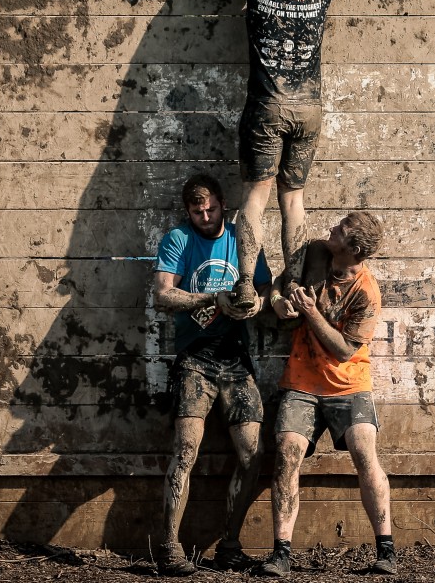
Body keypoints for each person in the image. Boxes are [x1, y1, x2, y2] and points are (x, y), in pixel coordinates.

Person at [207, 0, 372, 311]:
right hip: (308, 108)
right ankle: (294, 282)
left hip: (267, 107)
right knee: (293, 199)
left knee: (255, 196)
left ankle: (245, 282)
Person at [257, 212, 396, 577]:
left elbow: (344, 351)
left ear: (354, 248)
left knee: (365, 452)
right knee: (287, 451)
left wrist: (309, 311)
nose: (334, 226)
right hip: (302, 380)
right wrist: (278, 301)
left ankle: (386, 551)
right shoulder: (315, 252)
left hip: (349, 385)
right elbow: (276, 285)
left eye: (343, 228)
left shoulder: (366, 291)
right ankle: (282, 553)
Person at [152, 174, 272, 574]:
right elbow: (163, 294)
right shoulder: (179, 239)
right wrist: (210, 297)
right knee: (186, 451)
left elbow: (266, 290)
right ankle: (169, 550)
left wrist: (255, 304)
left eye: (212, 209)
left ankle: (230, 547)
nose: (205, 217)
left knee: (252, 454)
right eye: (197, 211)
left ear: (223, 203)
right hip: (194, 361)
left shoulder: (242, 238)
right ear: (188, 211)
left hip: (236, 360)